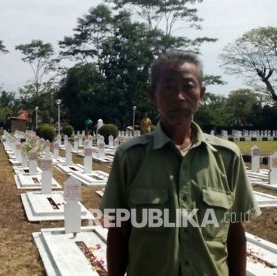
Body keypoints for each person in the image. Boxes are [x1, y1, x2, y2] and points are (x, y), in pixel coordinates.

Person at [100, 50, 260, 276]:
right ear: (152, 94)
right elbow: (118, 232)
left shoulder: (227, 157)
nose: (179, 96)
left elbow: (235, 233)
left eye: (188, 86)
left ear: (201, 94)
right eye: (169, 87)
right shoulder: (130, 157)